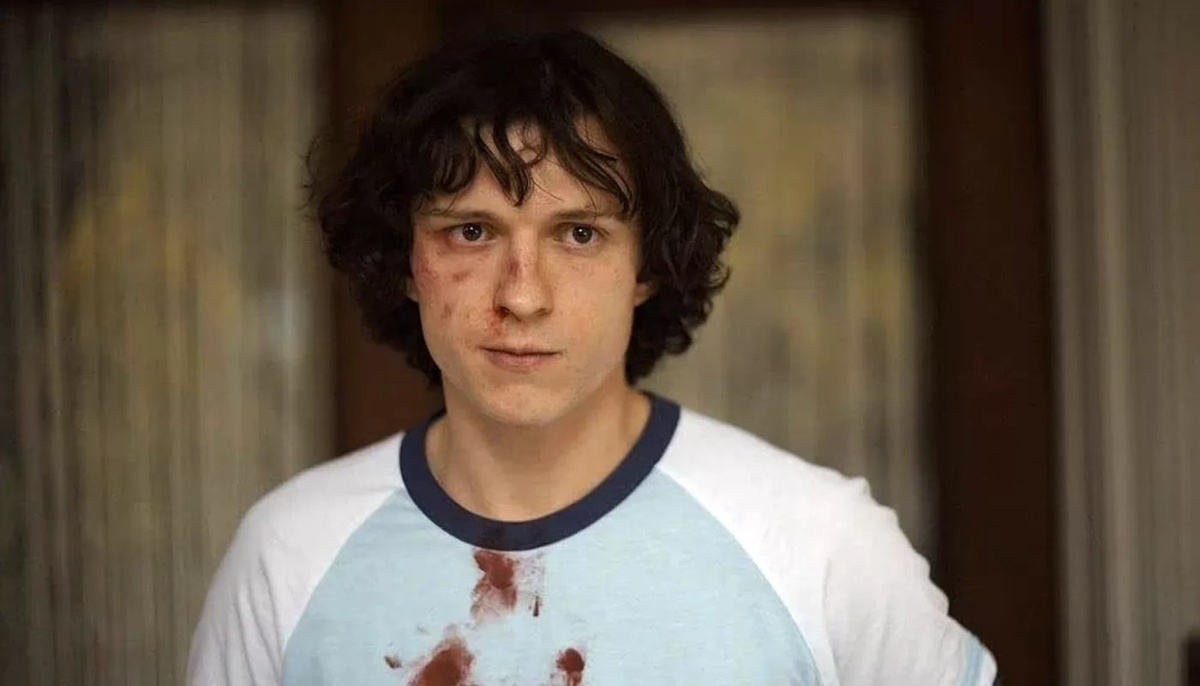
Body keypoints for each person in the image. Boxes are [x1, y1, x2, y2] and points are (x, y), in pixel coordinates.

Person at [187, 26, 998, 686]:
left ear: (647, 264)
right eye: (471, 231)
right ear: (404, 260)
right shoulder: (289, 555)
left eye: (578, 233)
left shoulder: (820, 546)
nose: (523, 295)